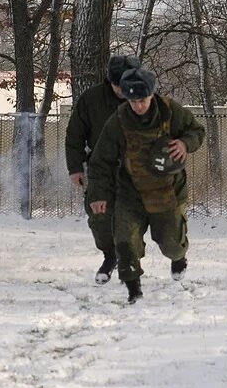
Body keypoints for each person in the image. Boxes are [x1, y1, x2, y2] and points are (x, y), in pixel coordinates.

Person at [86, 65, 206, 304]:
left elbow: (197, 131)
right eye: (132, 101)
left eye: (142, 100)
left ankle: (179, 258)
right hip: (130, 192)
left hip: (168, 191)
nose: (138, 106)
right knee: (125, 239)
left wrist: (184, 143)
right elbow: (101, 160)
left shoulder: (171, 111)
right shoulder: (119, 121)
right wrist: (98, 195)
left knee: (171, 244)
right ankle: (134, 291)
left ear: (152, 95)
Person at [65, 54, 140, 283]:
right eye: (119, 86)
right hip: (101, 170)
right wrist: (75, 168)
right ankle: (111, 255)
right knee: (99, 216)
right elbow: (75, 135)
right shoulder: (91, 99)